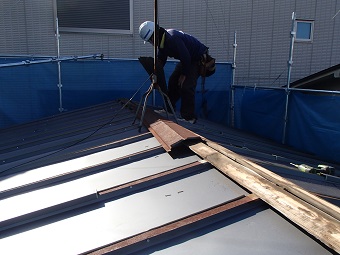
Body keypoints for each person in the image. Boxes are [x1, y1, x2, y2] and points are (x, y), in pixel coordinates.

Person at [139, 21, 214, 123]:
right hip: (187, 59)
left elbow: (186, 57)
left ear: (155, 34)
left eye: (150, 40)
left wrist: (184, 74)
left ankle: (189, 117)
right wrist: (155, 71)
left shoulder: (172, 38)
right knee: (173, 81)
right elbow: (161, 59)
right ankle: (169, 109)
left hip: (196, 58)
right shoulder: (162, 42)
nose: (151, 43)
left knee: (186, 85)